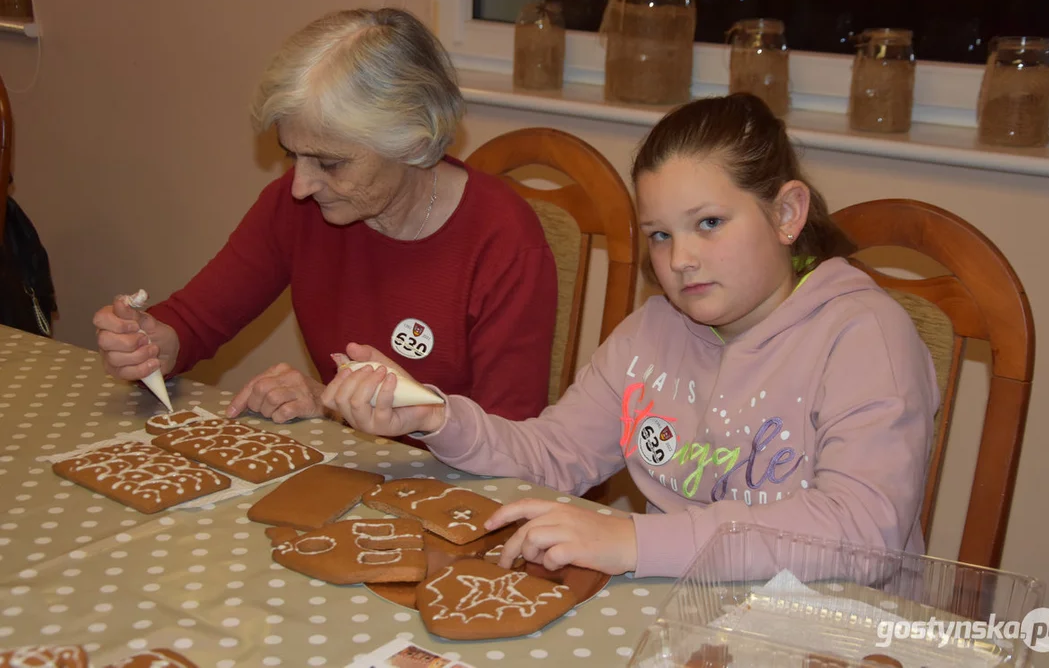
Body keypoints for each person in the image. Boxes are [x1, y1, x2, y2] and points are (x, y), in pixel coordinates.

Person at [321, 93, 939, 579]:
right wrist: (434, 417)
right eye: (662, 235)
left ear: (785, 213)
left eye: (710, 223)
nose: (683, 259)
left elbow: (863, 535)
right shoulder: (654, 331)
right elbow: (554, 455)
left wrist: (634, 539)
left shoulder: (863, 335)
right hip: (683, 612)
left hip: (834, 631)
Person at [92, 8, 557, 424]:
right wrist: (153, 344)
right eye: (292, 155)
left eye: (329, 163)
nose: (301, 185)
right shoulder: (298, 208)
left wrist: (329, 401)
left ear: (413, 143)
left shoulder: (503, 242)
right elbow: (195, 322)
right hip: (348, 479)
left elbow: (509, 441)